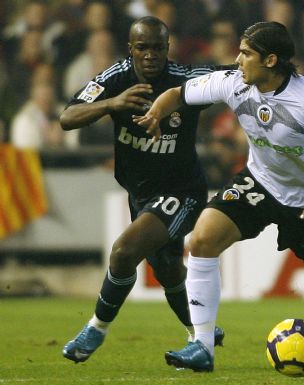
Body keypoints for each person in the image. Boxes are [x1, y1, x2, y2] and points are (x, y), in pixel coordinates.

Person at [135, 21, 304, 372]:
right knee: (201, 239)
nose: (237, 60)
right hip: (259, 182)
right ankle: (202, 345)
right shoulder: (232, 82)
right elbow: (179, 94)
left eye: (246, 54)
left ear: (270, 60)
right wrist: (156, 112)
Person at [60, 16, 228, 363]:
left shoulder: (185, 80)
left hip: (182, 191)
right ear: (131, 49)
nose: (150, 55)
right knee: (167, 270)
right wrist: (112, 104)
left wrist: (272, 66)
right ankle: (202, 335)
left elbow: (232, 76)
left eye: (157, 48)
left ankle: (96, 328)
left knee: (124, 252)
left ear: (167, 48)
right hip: (141, 193)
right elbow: (67, 117)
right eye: (142, 48)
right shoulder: (115, 78)